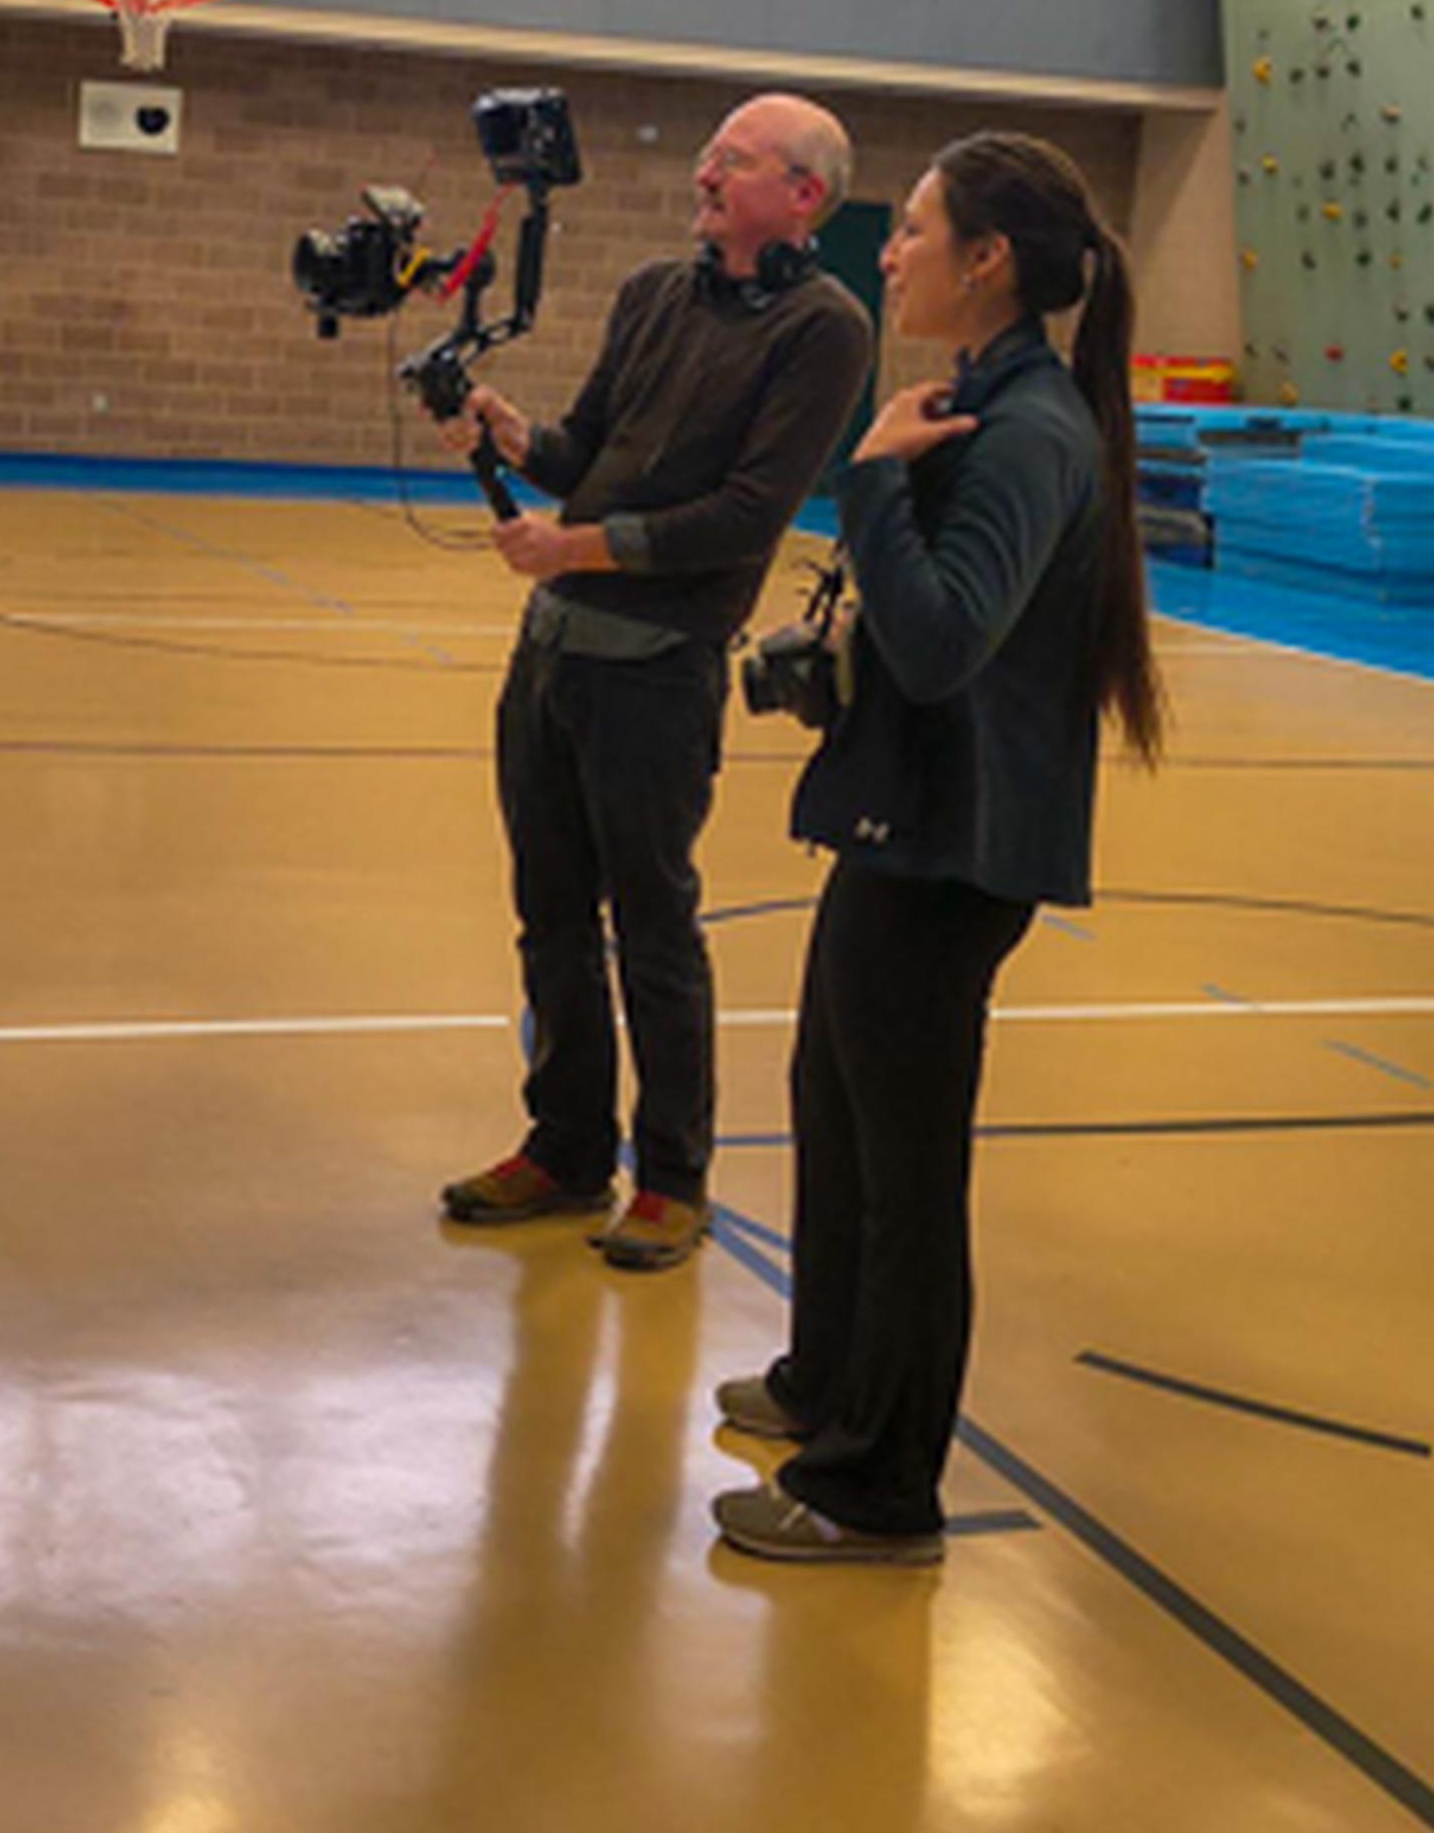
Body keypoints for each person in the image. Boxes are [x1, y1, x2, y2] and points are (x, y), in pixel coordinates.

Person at [709, 131, 1164, 1564]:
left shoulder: (1028, 433)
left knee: (907, 1176)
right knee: (832, 1112)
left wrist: (877, 483)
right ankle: (828, 1387)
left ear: (989, 262)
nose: (887, 250)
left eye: (910, 230)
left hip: (960, 850)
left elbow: (950, 635)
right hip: (903, 824)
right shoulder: (978, 399)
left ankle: (881, 1487)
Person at [432, 94, 875, 1272]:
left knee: (655, 924)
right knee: (552, 918)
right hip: (551, 660)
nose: (705, 172)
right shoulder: (650, 295)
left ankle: (672, 1175)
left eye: (736, 160)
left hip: (656, 681)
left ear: (804, 196)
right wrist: (509, 434)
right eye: (709, 154)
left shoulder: (826, 330)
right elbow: (584, 452)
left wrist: (570, 548)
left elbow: (741, 520)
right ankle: (566, 1146)